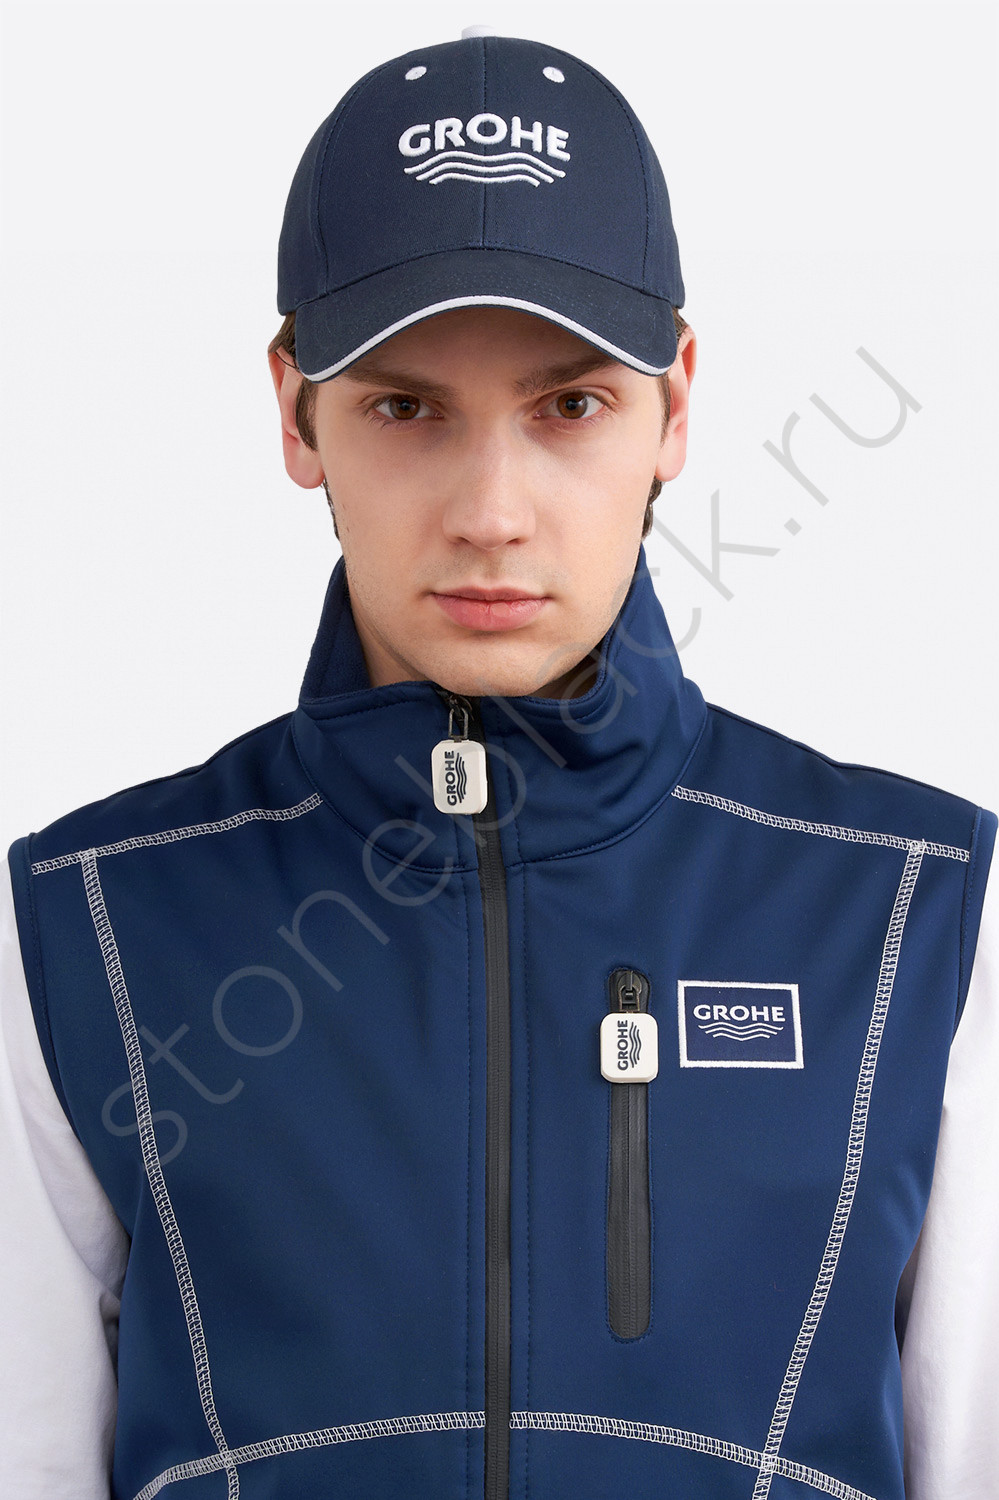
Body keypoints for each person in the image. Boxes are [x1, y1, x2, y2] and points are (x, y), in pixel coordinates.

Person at [1, 24, 995, 1500]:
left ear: (676, 405)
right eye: (407, 408)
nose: (491, 510)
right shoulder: (85, 930)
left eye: (569, 406)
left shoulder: (918, 914)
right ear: (295, 410)